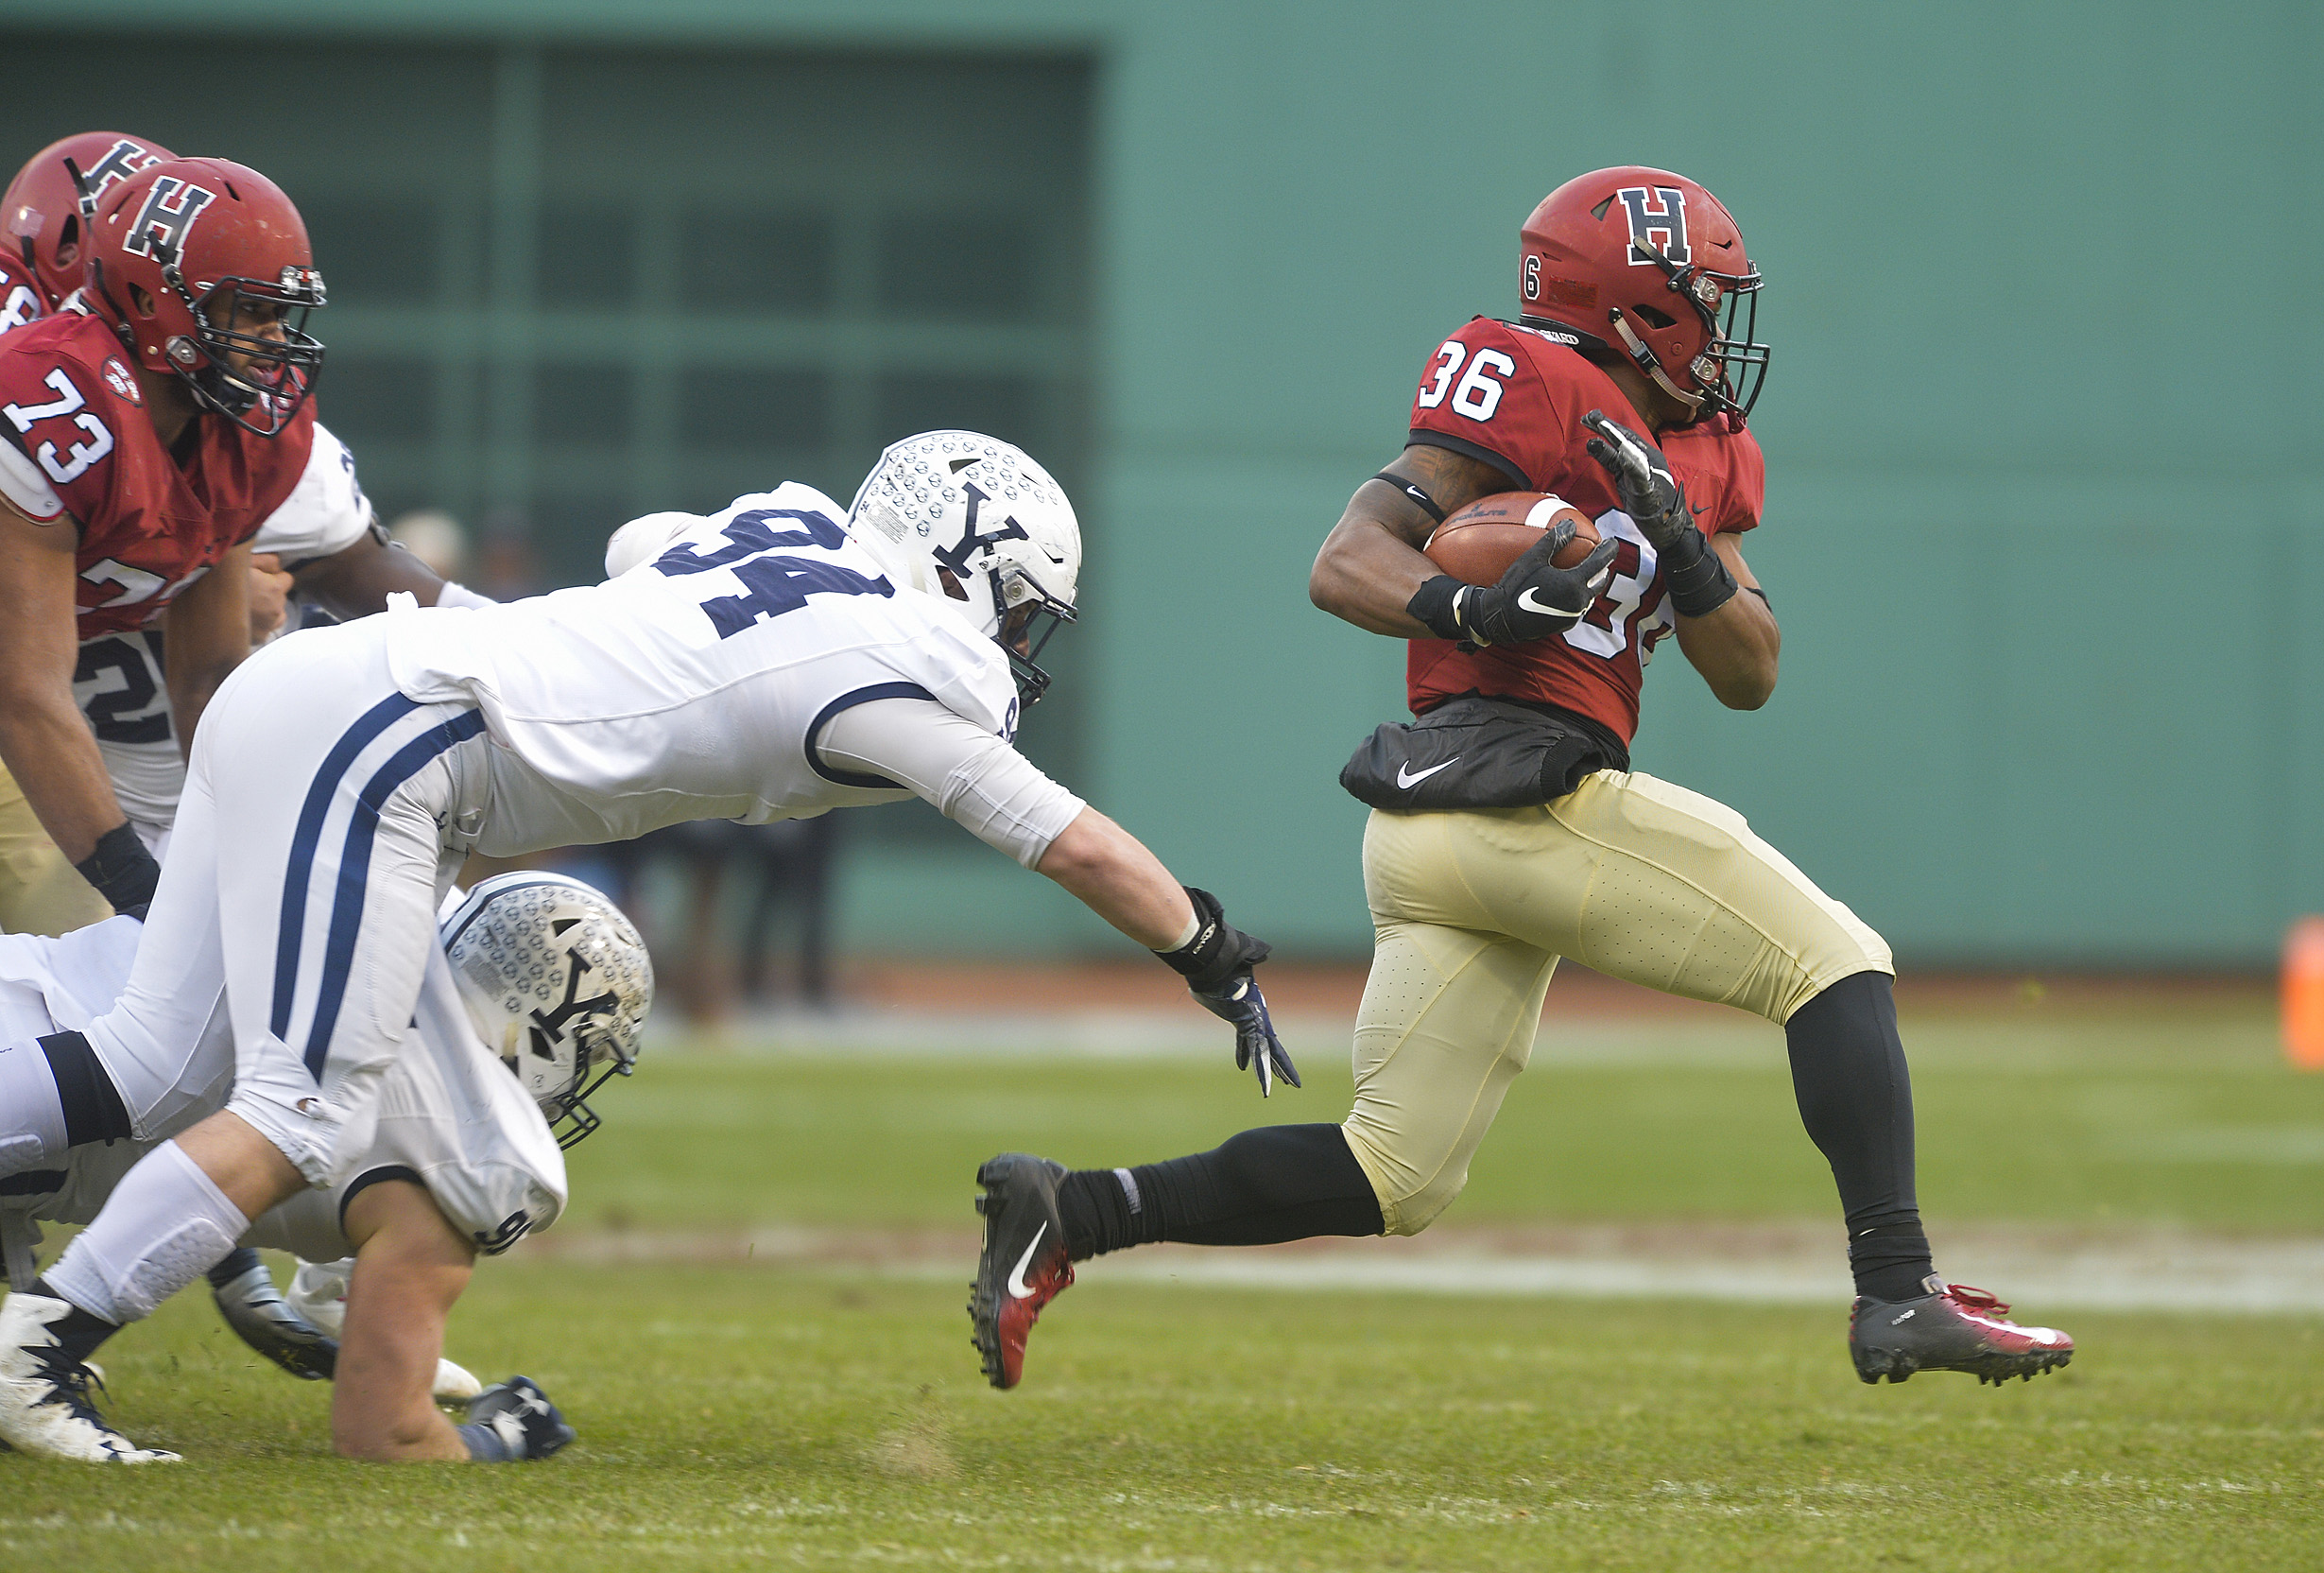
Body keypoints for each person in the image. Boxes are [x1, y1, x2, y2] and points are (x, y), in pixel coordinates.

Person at [964, 167, 2074, 1393]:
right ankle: (1900, 1291)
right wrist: (1475, 607)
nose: (1726, 331)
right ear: (1637, 305)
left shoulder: (1707, 447)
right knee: (1835, 960)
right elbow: (1346, 561)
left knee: (1396, 1173)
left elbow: (1750, 671)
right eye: (1707, 302)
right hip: (1520, 794)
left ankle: (1068, 1215)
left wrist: (1685, 547)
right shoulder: (1531, 375)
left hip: (1433, 843)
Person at [0, 430, 1295, 1454]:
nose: (1017, 642)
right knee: (305, 1107)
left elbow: (646, 542)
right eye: (1016, 606)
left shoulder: (784, 526)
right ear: (960, 559)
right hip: (399, 745)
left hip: (334, 704)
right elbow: (1065, 839)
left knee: (161, 1060)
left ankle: (302, 1313)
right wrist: (1209, 950)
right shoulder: (904, 660)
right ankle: (46, 1344)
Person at [0, 138, 496, 936]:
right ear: (161, 301)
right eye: (253, 310)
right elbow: (25, 694)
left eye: (282, 311)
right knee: (76, 946)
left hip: (83, 732)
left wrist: (248, 852)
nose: (275, 340)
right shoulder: (53, 406)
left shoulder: (242, 430)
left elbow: (210, 677)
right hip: (31, 717)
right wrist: (143, 894)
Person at [0, 868, 644, 1461]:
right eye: (585, 1053)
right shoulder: (469, 1148)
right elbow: (387, 1432)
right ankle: (35, 1362)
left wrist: (286, 1285)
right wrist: (504, 1433)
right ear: (539, 1034)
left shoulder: (369, 912)